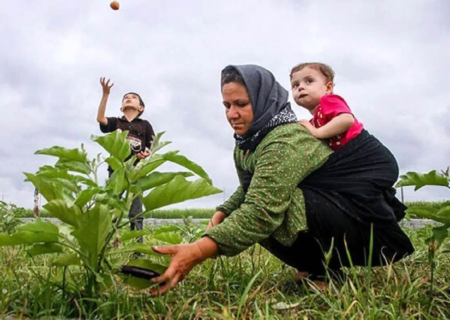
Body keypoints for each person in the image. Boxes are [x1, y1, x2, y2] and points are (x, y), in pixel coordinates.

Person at [149, 65, 414, 295]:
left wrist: (197, 251)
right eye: (227, 105)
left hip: (355, 216)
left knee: (276, 209)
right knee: (247, 210)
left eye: (241, 104)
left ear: (263, 100)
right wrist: (223, 211)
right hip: (329, 206)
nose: (232, 114)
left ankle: (327, 272)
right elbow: (250, 187)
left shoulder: (284, 139)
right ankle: (315, 267)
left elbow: (262, 210)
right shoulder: (247, 143)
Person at [96, 77, 155, 242]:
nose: (129, 98)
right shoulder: (116, 122)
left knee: (136, 209)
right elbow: (101, 119)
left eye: (133, 97)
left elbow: (152, 145)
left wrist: (146, 154)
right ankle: (109, 241)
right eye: (125, 97)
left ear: (141, 107)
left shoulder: (144, 125)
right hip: (116, 171)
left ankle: (137, 246)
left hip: (136, 172)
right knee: (111, 206)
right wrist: (105, 94)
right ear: (121, 107)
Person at [290, 62, 362, 151]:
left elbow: (347, 119)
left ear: (328, 88)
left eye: (309, 81)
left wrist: (317, 132)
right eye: (295, 85)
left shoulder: (328, 100)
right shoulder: (313, 122)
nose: (300, 87)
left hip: (364, 148)